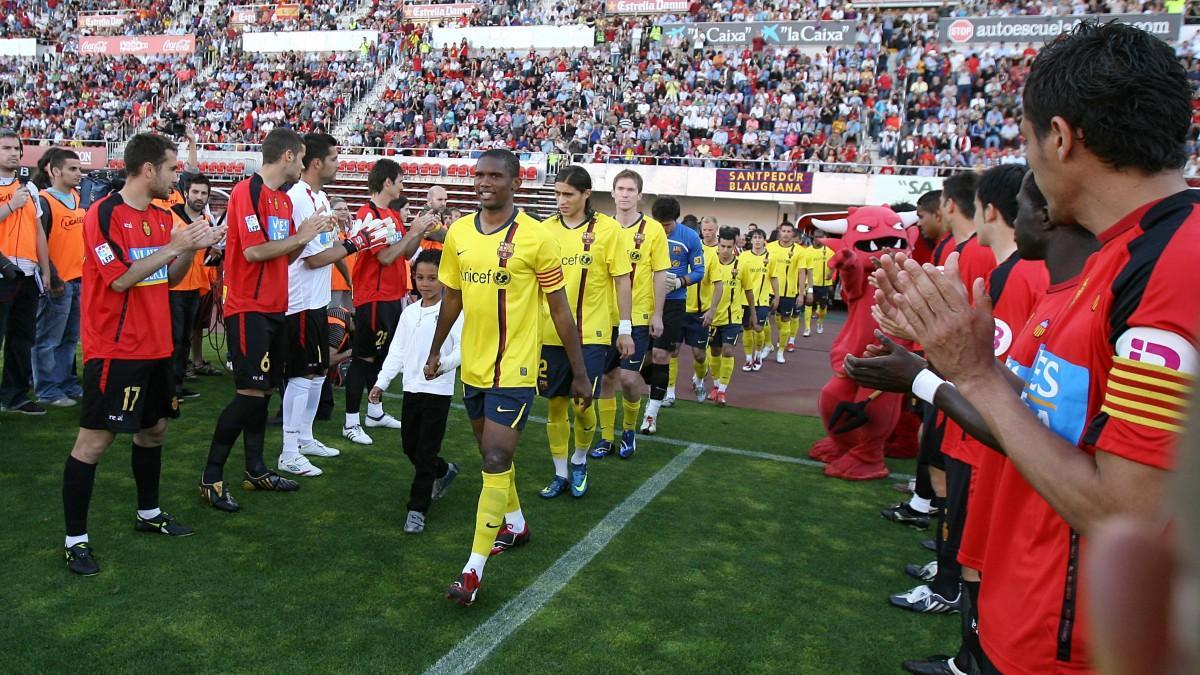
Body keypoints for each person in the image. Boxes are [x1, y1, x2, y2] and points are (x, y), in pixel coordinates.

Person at [872, 22, 1199, 673]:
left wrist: (977, 375)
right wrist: (956, 366)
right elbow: (1065, 425)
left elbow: (1124, 511)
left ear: (1060, 136)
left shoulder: (1175, 264)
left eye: (1025, 139)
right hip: (1035, 621)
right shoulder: (1120, 254)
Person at [425, 149, 591, 606]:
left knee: (496, 458)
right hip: (474, 367)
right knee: (488, 452)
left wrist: (580, 374)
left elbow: (560, 309)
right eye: (479, 175)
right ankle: (515, 525)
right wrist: (437, 348)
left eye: (494, 176)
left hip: (517, 369)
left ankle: (472, 570)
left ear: (515, 182)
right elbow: (452, 297)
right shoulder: (459, 233)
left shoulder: (538, 239)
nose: (484, 182)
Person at [62, 133, 223, 575]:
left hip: (156, 347)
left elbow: (168, 278)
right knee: (95, 442)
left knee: (154, 431)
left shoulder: (161, 214)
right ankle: (75, 540)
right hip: (117, 349)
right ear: (149, 169)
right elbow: (119, 279)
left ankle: (149, 514)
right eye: (172, 168)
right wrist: (175, 245)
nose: (178, 176)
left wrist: (191, 248)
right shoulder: (104, 213)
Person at [199, 127, 335, 513]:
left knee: (263, 393)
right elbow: (257, 252)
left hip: (277, 307)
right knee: (249, 393)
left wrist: (308, 237)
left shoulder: (279, 201)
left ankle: (255, 469)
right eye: (302, 155)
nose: (305, 163)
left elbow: (287, 256)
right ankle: (211, 476)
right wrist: (302, 236)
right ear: (289, 156)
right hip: (249, 307)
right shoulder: (248, 192)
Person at [278, 133, 374, 477]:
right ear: (316, 162)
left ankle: (304, 437)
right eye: (334, 158)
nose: (339, 163)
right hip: (299, 299)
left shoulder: (318, 197)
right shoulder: (299, 199)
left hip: (317, 299)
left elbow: (328, 249)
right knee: (302, 374)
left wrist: (348, 251)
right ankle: (288, 450)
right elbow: (314, 259)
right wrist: (357, 244)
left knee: (317, 372)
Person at [537, 166, 633, 499]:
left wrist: (625, 328)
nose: (561, 201)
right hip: (548, 334)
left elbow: (622, 279)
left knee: (581, 404)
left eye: (568, 194)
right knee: (554, 406)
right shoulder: (544, 229)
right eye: (557, 194)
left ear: (586, 194)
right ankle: (560, 472)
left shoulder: (608, 230)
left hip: (591, 334)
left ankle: (580, 460)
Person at [342, 159, 437, 446]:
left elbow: (404, 253)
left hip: (390, 296)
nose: (402, 186)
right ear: (387, 182)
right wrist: (412, 231)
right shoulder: (369, 214)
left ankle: (374, 412)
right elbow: (383, 257)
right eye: (400, 181)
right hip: (374, 297)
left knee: (381, 358)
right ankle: (350, 422)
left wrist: (418, 230)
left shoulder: (390, 215)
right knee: (363, 359)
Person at [369, 249, 463, 534]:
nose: (425, 283)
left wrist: (442, 365)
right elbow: (397, 351)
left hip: (438, 391)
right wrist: (381, 382)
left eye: (432, 278)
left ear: (444, 279)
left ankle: (416, 509)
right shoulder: (409, 313)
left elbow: (462, 349)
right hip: (411, 388)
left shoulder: (454, 312)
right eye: (420, 277)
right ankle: (444, 470)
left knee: (425, 451)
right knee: (409, 445)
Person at [590, 170, 669, 460]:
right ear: (612, 193)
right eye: (620, 188)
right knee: (606, 377)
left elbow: (661, 273)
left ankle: (629, 429)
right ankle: (606, 438)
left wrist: (658, 314)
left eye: (630, 189)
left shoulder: (653, 230)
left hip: (636, 316)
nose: (624, 194)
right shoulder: (600, 227)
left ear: (640, 195)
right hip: (603, 316)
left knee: (626, 377)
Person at [639, 196, 703, 435]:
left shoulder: (690, 237)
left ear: (675, 220)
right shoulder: (643, 232)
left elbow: (699, 271)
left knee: (661, 354)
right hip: (643, 300)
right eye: (660, 224)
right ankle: (657, 385)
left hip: (673, 302)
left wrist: (679, 281)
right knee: (641, 359)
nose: (663, 229)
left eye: (667, 225)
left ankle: (651, 415)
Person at [0, 130, 50, 415]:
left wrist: (44, 270)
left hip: (27, 273)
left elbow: (39, 233)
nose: (13, 153)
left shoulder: (29, 188)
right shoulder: (19, 194)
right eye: (6, 147)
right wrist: (10, 205)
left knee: (22, 338)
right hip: (1, 272)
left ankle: (14, 395)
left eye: (17, 148)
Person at [32, 148, 84, 407]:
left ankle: (66, 383)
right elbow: (38, 243)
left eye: (79, 168)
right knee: (48, 338)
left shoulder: (76, 197)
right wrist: (52, 276)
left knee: (68, 338)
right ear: (54, 171)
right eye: (72, 169)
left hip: (78, 279)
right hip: (58, 281)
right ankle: (47, 389)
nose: (79, 173)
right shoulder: (43, 201)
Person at [166, 173, 212, 401]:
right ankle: (169, 388)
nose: (199, 197)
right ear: (186, 192)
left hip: (195, 287)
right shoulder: (171, 217)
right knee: (173, 339)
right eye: (195, 192)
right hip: (173, 287)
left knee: (185, 338)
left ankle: (178, 382)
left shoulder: (205, 221)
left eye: (204, 193)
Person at [706, 226, 755, 406]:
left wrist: (753, 314)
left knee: (727, 350)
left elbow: (749, 291)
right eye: (722, 246)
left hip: (733, 316)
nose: (725, 250)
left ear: (734, 246)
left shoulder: (741, 265)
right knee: (715, 351)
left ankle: (722, 391)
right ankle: (716, 385)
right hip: (712, 317)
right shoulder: (710, 263)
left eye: (729, 247)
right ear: (718, 245)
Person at [680, 215, 722, 402]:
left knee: (699, 354)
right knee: (671, 350)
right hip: (679, 307)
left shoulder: (715, 254)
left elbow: (720, 283)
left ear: (716, 229)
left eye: (710, 229)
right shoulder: (682, 249)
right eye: (704, 229)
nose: (707, 233)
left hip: (701, 310)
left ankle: (699, 378)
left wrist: (712, 309)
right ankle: (668, 392)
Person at [765, 221, 803, 360]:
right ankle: (768, 344)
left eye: (788, 231)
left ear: (792, 233)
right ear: (779, 232)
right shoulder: (769, 247)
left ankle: (780, 351)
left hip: (789, 292)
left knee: (785, 320)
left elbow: (801, 272)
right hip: (769, 291)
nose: (786, 234)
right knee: (763, 319)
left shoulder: (799, 250)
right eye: (783, 231)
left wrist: (802, 293)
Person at [739, 229, 770, 372]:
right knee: (746, 328)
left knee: (758, 328)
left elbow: (774, 277)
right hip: (744, 300)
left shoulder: (770, 257)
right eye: (755, 238)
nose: (757, 240)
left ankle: (758, 356)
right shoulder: (743, 257)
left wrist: (776, 296)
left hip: (762, 300)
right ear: (751, 240)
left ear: (764, 240)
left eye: (760, 238)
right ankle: (748, 359)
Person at [803, 233, 835, 336]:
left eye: (821, 237)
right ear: (813, 237)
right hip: (810, 283)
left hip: (824, 283)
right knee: (808, 304)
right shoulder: (807, 251)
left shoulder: (829, 251)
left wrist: (831, 274)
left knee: (822, 306)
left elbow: (835, 264)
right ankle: (807, 328)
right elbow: (803, 268)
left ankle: (820, 322)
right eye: (817, 237)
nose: (819, 239)